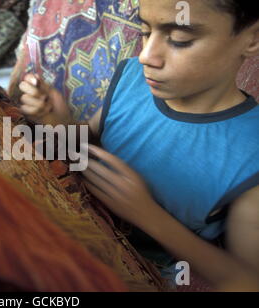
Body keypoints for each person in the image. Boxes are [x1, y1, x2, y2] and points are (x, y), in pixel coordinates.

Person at [18, 0, 259, 291]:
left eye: (180, 40)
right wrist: (59, 123)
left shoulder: (250, 154)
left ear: (252, 38)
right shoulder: (132, 77)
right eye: (145, 31)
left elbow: (245, 279)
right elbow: (91, 146)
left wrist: (147, 215)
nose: (146, 56)